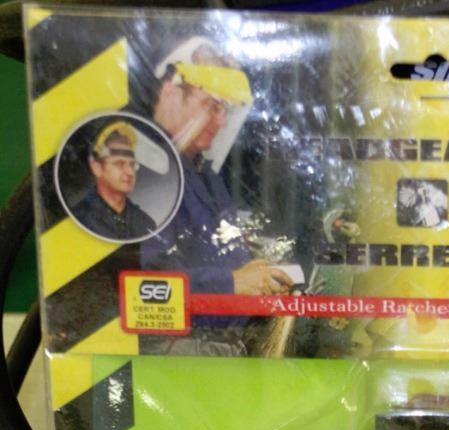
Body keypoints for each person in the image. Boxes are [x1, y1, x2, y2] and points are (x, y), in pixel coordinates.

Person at [142, 50, 292, 299]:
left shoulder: (201, 172)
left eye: (225, 109)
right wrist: (231, 282)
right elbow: (147, 284)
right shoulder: (142, 173)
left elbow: (217, 255)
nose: (222, 122)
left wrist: (256, 271)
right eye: (212, 106)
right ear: (170, 93)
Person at [72, 122, 156, 241]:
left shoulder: (145, 223)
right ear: (97, 168)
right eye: (119, 163)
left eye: (132, 164)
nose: (130, 172)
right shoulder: (77, 222)